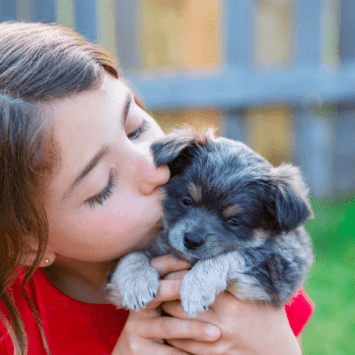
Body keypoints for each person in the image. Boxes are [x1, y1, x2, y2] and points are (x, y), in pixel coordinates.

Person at [0, 21, 314, 355]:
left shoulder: (248, 277)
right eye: (103, 186)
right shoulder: (9, 328)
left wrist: (277, 347)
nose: (154, 170)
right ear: (29, 244)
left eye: (135, 128)